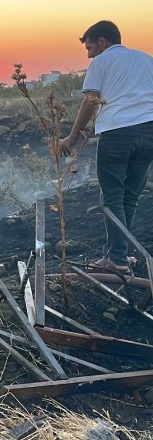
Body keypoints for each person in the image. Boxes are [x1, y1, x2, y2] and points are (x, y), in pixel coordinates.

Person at [58, 20, 153, 275]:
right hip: (149, 131)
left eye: (89, 48)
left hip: (118, 132)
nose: (89, 54)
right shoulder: (147, 59)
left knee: (111, 198)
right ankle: (120, 255)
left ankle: (117, 260)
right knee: (130, 196)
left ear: (103, 42)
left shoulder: (101, 61)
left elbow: (90, 100)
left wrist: (72, 136)